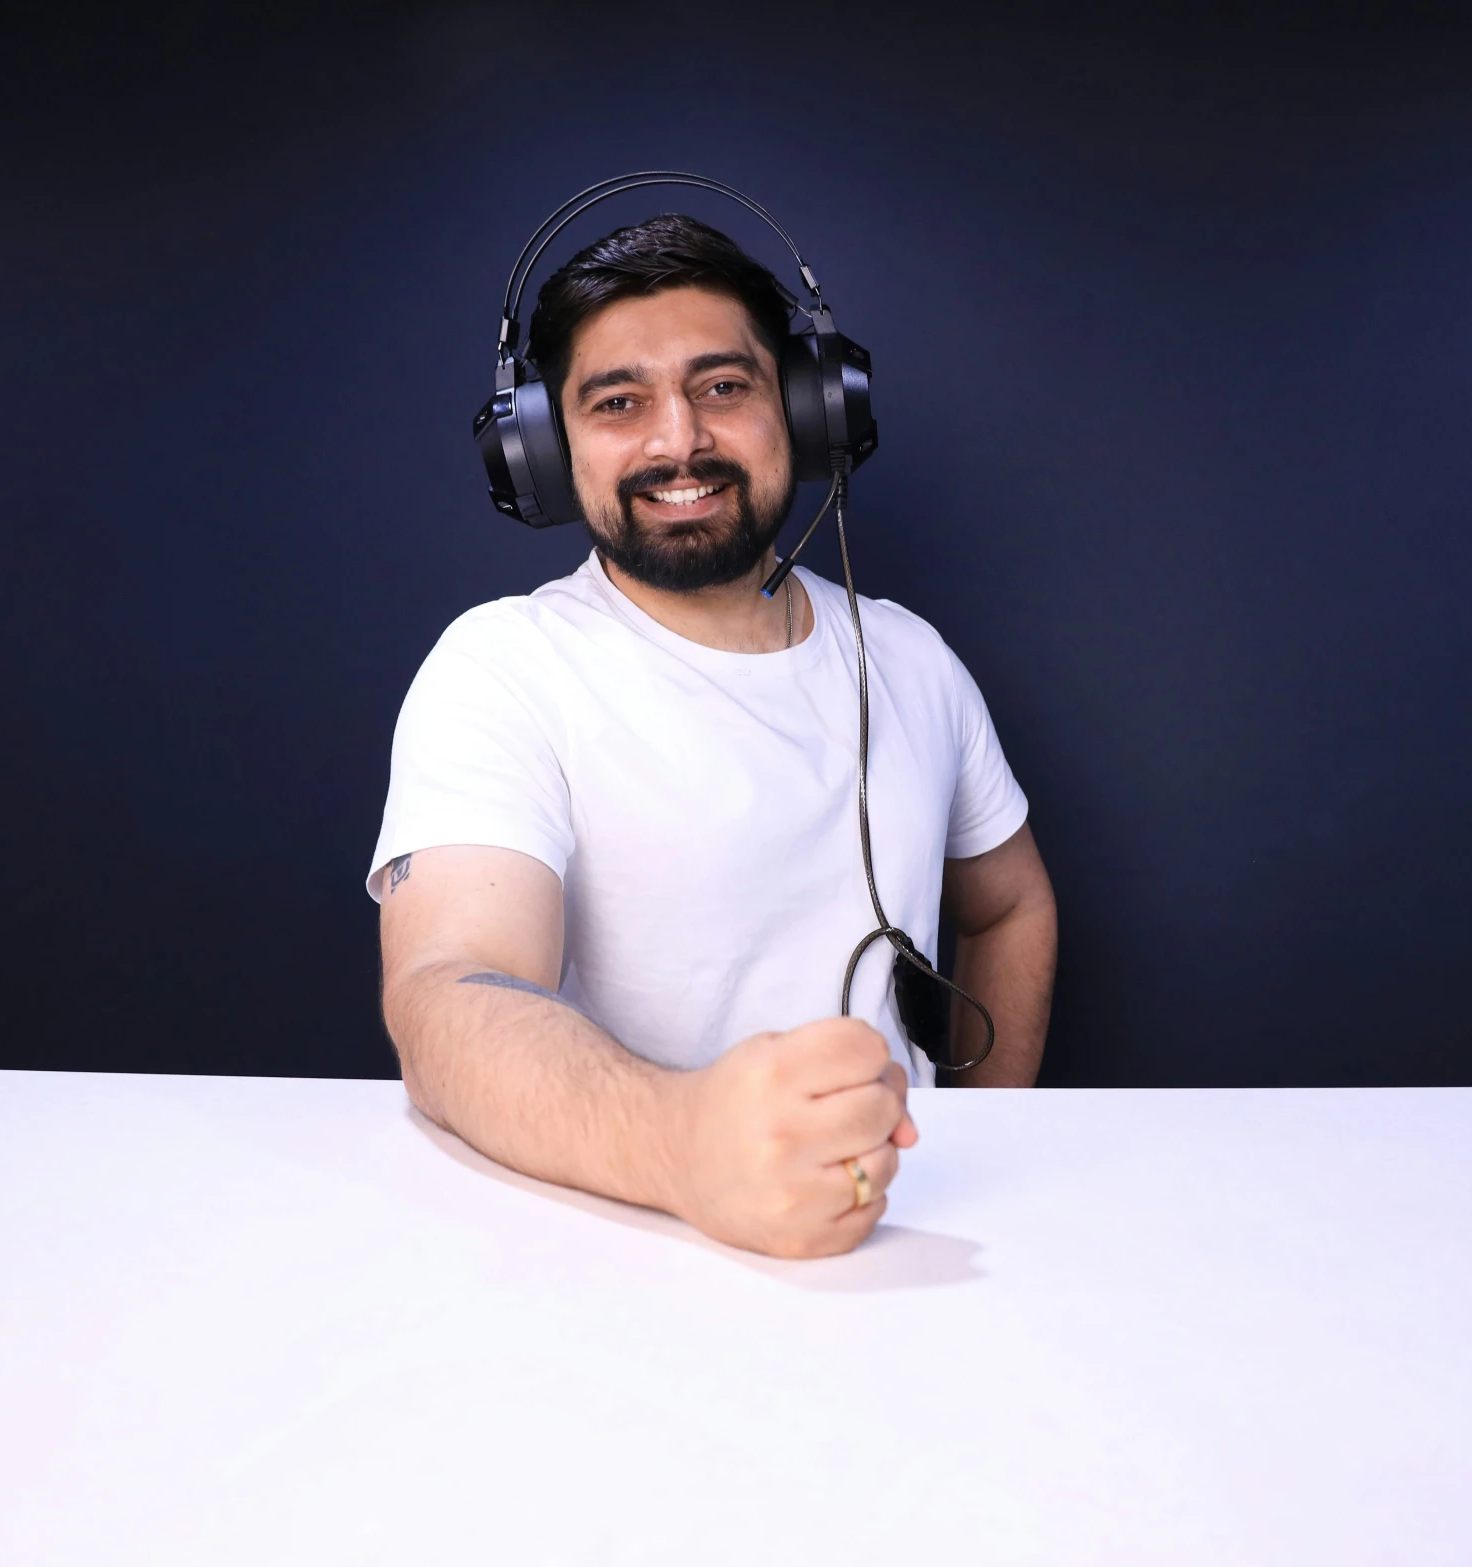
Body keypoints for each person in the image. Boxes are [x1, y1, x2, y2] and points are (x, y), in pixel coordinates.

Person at [370, 213, 1056, 1259]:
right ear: (547, 451)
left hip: (908, 1242)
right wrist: (686, 1144)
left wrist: (986, 1139)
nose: (677, 439)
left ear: (809, 407)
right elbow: (450, 992)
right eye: (618, 402)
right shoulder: (501, 667)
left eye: (722, 386)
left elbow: (1009, 903)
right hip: (628, 1246)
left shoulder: (911, 656)